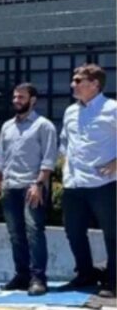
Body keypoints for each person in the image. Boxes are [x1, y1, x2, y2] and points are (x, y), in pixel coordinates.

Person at [0, 83, 57, 296]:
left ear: (33, 100)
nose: (16, 101)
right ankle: (21, 275)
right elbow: (0, 156)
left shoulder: (43, 125)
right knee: (15, 234)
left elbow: (48, 159)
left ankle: (38, 278)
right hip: (10, 187)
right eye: (15, 97)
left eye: (21, 97)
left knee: (34, 232)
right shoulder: (7, 126)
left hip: (31, 187)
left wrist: (39, 185)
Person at [59, 64, 116, 297]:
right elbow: (65, 142)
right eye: (73, 80)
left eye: (78, 80)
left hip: (104, 183)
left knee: (112, 234)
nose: (73, 84)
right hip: (74, 183)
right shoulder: (71, 111)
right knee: (73, 231)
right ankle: (85, 274)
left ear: (95, 84)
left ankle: (113, 282)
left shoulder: (112, 108)